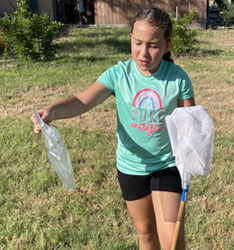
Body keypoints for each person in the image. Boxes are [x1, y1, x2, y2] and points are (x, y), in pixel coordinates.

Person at [31, 7, 195, 250]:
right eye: (138, 43)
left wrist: (194, 150)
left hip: (167, 165)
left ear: (167, 45)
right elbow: (83, 100)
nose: (144, 52)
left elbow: (191, 122)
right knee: (146, 235)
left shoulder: (178, 78)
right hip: (131, 167)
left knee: (171, 238)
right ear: (130, 38)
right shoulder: (119, 74)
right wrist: (53, 111)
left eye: (153, 45)